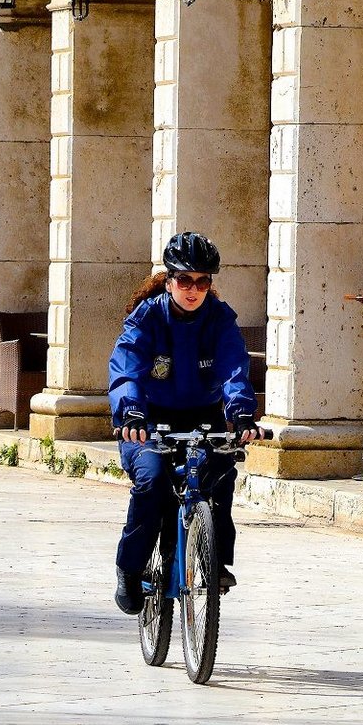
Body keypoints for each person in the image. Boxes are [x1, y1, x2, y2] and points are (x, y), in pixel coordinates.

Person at [108, 231, 264, 615]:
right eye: (184, 280)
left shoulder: (220, 319)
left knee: (222, 472)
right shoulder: (146, 318)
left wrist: (242, 412)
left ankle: (216, 562)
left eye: (202, 281)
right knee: (153, 481)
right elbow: (126, 367)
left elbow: (233, 367)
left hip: (203, 416)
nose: (193, 290)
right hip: (146, 419)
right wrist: (130, 411)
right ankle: (129, 569)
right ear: (169, 279)